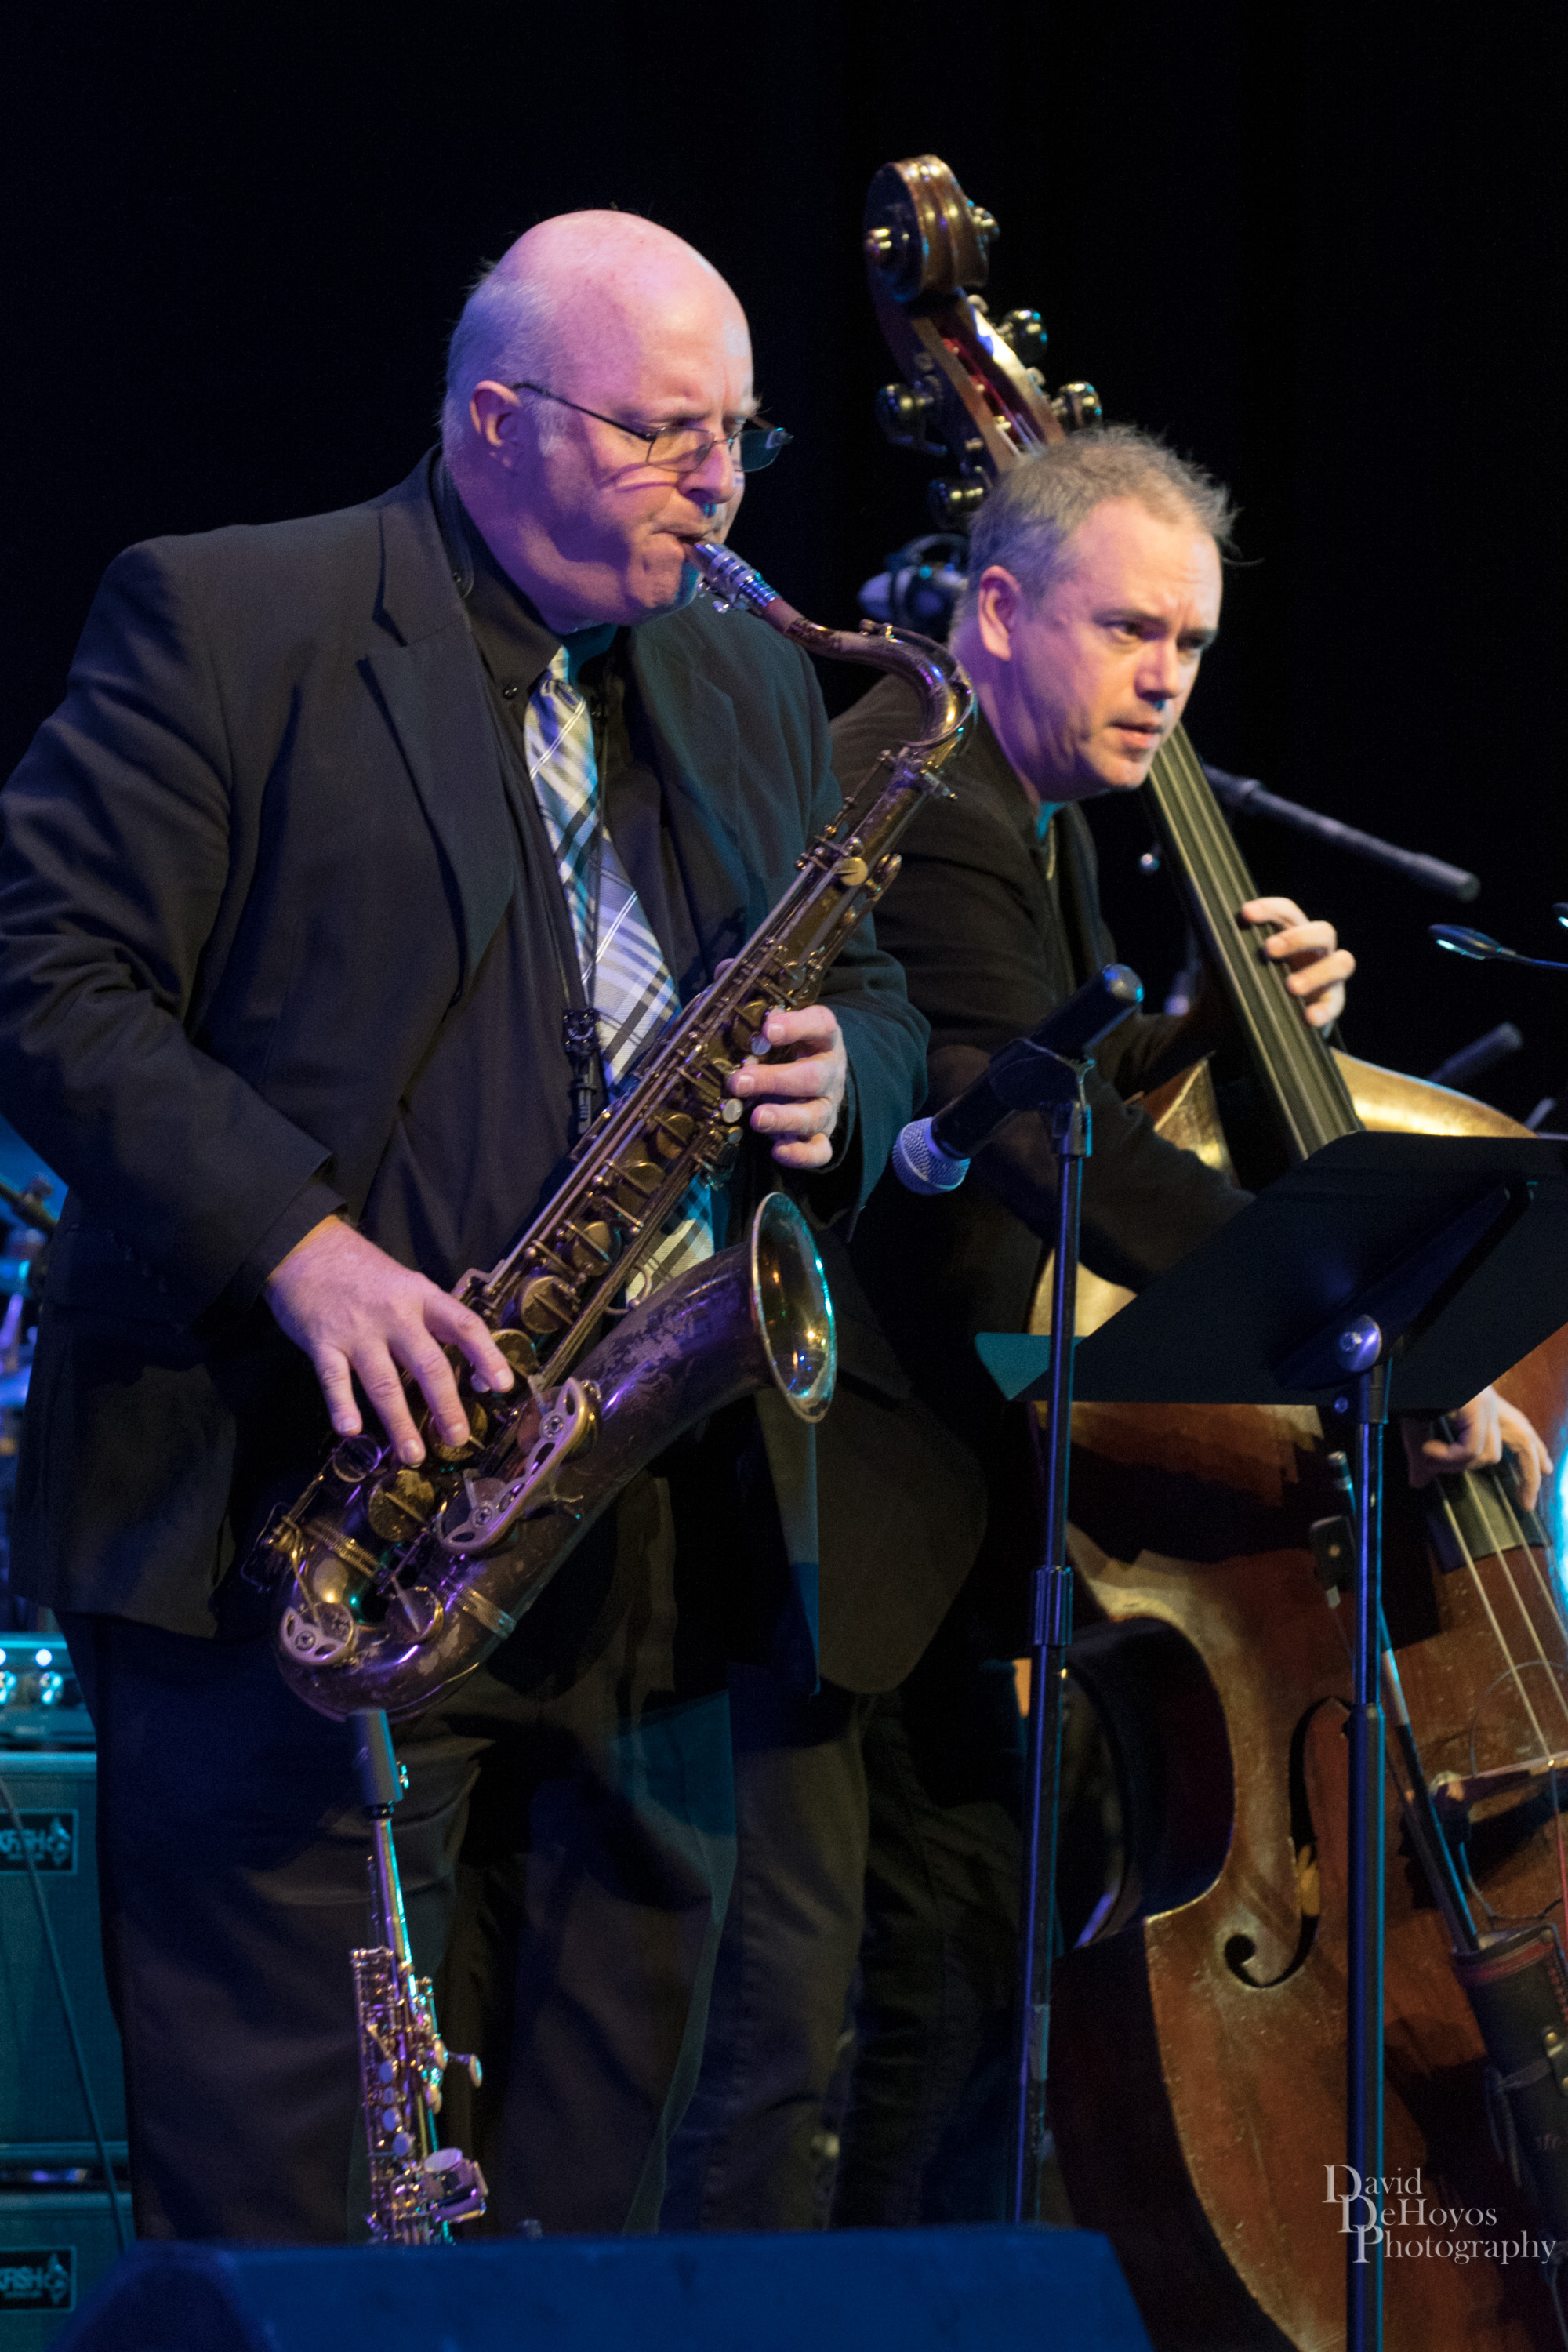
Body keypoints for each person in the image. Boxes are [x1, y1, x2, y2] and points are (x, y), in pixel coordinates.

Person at [0, 211, 927, 2243]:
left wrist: (850, 1074)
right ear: (494, 420)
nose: (718, 486)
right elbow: (48, 976)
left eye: (741, 436)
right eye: (665, 433)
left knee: (594, 2210)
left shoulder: (749, 674)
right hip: (301, 1525)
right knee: (301, 2216)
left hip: (636, 1545)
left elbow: (862, 983)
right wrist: (299, 1243)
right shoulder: (231, 618)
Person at [663, 424, 1552, 2230]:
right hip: (847, 1508)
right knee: (835, 2032)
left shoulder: (1031, 810)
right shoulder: (921, 792)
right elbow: (1013, 1124)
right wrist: (1352, 1328)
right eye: (1128, 630)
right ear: (996, 611)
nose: (1166, 681)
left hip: (951, 1512)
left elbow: (1036, 1074)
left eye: (1192, 644)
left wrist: (1209, 1030)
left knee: (955, 1994)